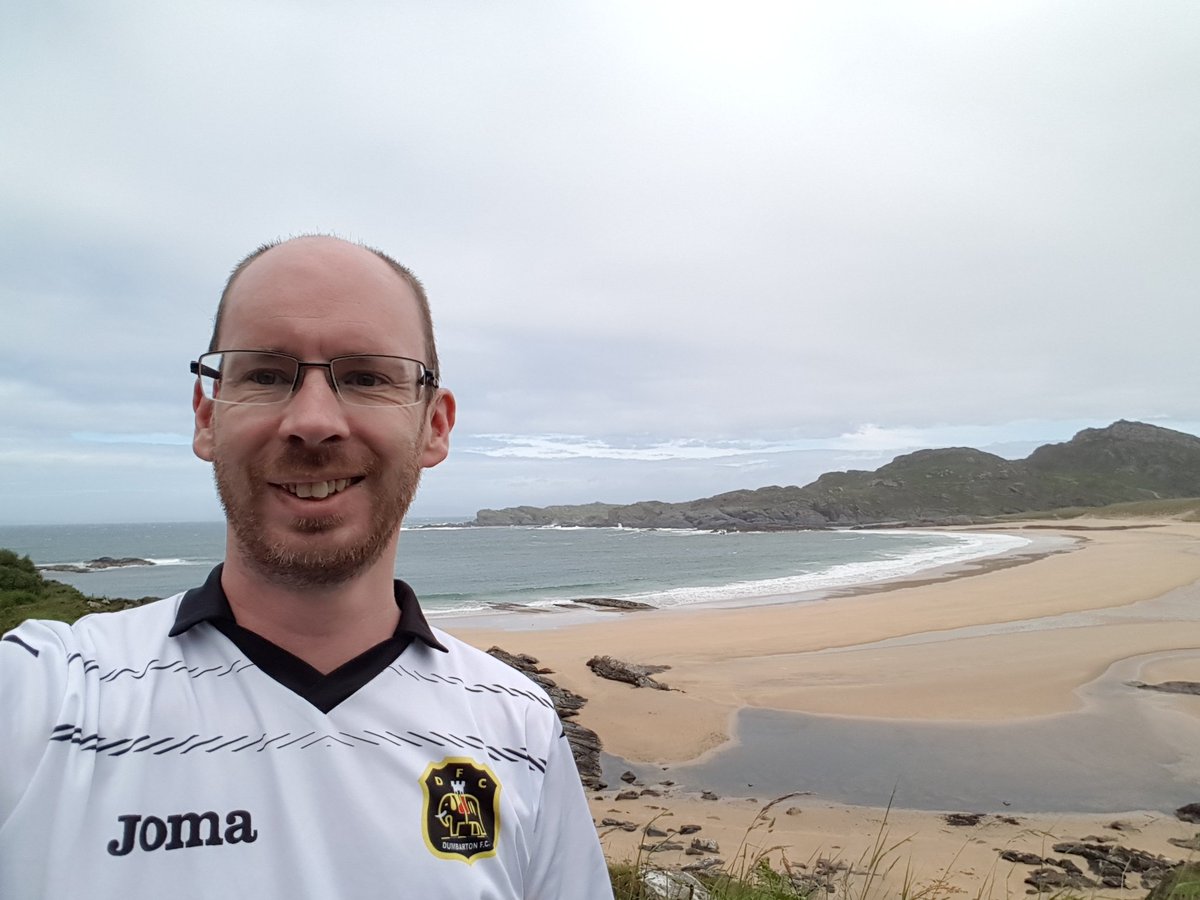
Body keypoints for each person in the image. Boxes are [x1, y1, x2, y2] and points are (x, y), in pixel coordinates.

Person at [0, 236, 615, 899]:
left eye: (366, 377)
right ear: (207, 418)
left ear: (434, 426)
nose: (313, 421)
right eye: (264, 374)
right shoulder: (44, 695)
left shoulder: (518, 723)